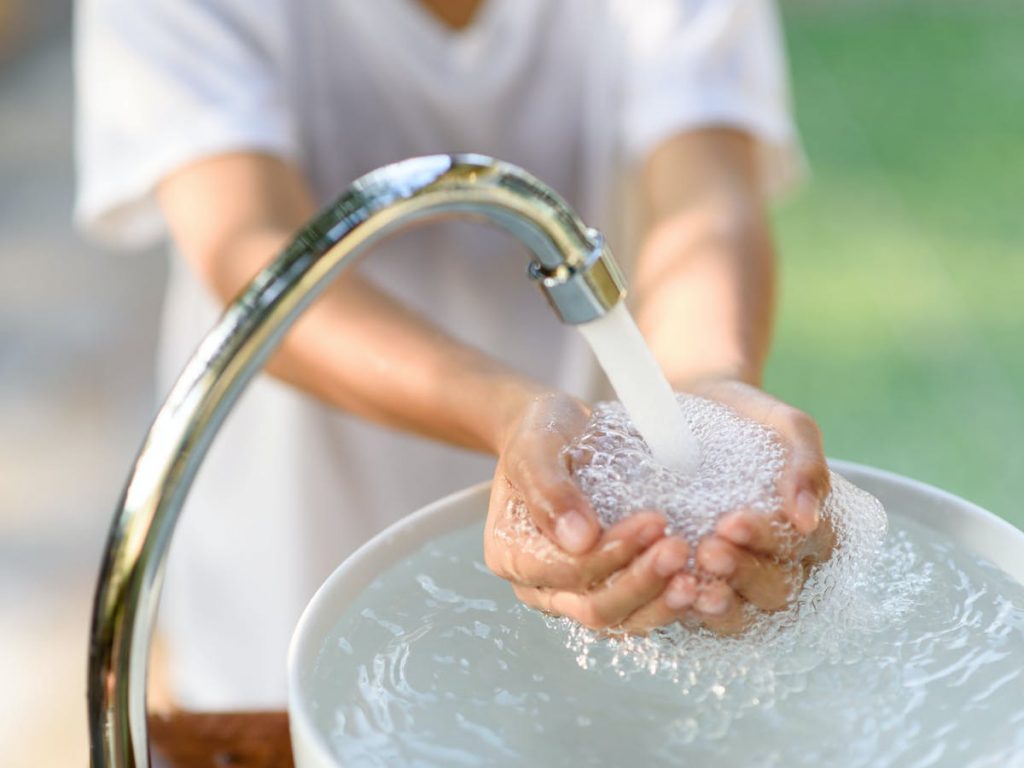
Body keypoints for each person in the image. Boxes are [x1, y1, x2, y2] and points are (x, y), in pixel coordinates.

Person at [76, 0, 832, 710]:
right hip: (289, 580)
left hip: (601, 578)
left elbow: (703, 199)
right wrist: (509, 414)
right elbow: (251, 252)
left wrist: (706, 388)